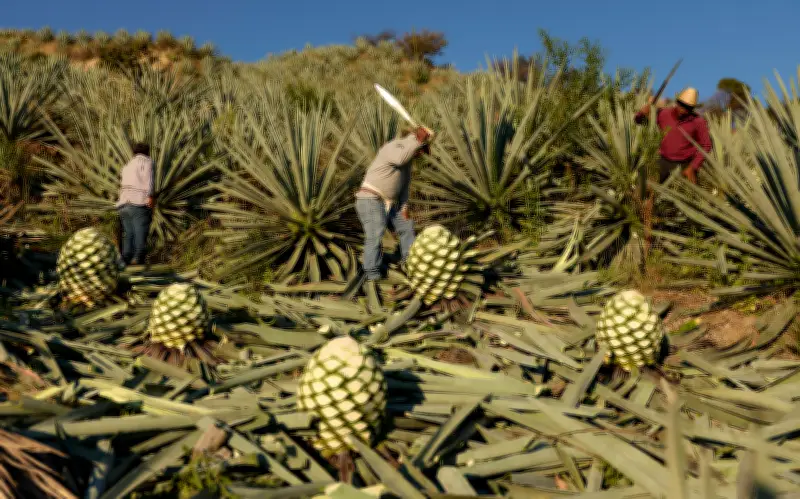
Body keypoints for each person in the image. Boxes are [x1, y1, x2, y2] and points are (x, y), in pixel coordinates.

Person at [355, 126, 433, 281]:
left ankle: (410, 263)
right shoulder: (393, 147)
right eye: (420, 150)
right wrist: (416, 140)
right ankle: (371, 273)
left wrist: (404, 208)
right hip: (371, 199)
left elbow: (403, 189)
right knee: (375, 233)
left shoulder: (407, 162)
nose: (420, 154)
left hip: (389, 204)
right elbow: (399, 159)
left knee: (406, 225)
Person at [634, 87, 713, 184]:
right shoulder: (664, 114)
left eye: (688, 107)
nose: (683, 109)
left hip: (685, 164)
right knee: (646, 188)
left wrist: (693, 167)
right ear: (677, 102)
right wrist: (641, 113)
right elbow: (640, 121)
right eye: (682, 105)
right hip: (663, 161)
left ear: (692, 108)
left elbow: (707, 145)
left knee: (686, 196)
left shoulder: (698, 122)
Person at [116, 143, 154, 266]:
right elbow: (149, 181)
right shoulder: (147, 162)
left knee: (128, 233)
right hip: (137, 202)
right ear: (147, 152)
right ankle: (138, 258)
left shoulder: (127, 165)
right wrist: (150, 196)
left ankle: (125, 258)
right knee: (140, 231)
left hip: (123, 204)